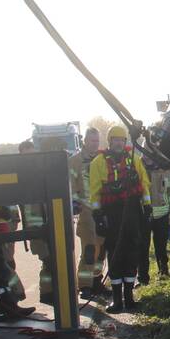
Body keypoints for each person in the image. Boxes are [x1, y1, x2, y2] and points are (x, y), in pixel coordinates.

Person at [89, 125, 150, 313]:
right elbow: (94, 191)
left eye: (122, 140)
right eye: (115, 139)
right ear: (110, 141)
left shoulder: (134, 160)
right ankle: (117, 300)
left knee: (132, 252)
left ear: (125, 142)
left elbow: (145, 183)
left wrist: (147, 207)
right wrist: (98, 215)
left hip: (132, 211)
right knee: (115, 254)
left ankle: (129, 298)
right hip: (111, 213)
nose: (118, 143)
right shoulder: (98, 162)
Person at [69, 127, 106, 298]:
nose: (95, 144)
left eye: (97, 141)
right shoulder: (75, 161)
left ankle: (97, 282)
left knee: (102, 249)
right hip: (86, 212)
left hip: (102, 210)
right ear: (84, 141)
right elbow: (70, 186)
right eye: (92, 141)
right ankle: (84, 286)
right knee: (89, 249)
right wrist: (77, 203)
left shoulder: (102, 159)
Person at [18, 139, 57, 305]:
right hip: (35, 228)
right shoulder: (20, 175)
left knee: (52, 261)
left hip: (48, 225)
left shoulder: (41, 172)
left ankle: (49, 292)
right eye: (27, 155)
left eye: (33, 154)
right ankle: (48, 293)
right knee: (48, 260)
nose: (31, 159)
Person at [138, 154, 170, 283]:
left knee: (161, 246)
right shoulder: (136, 167)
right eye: (145, 152)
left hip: (162, 215)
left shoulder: (165, 169)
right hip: (143, 216)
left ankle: (163, 271)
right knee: (142, 248)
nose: (147, 156)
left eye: (150, 152)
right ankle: (143, 278)